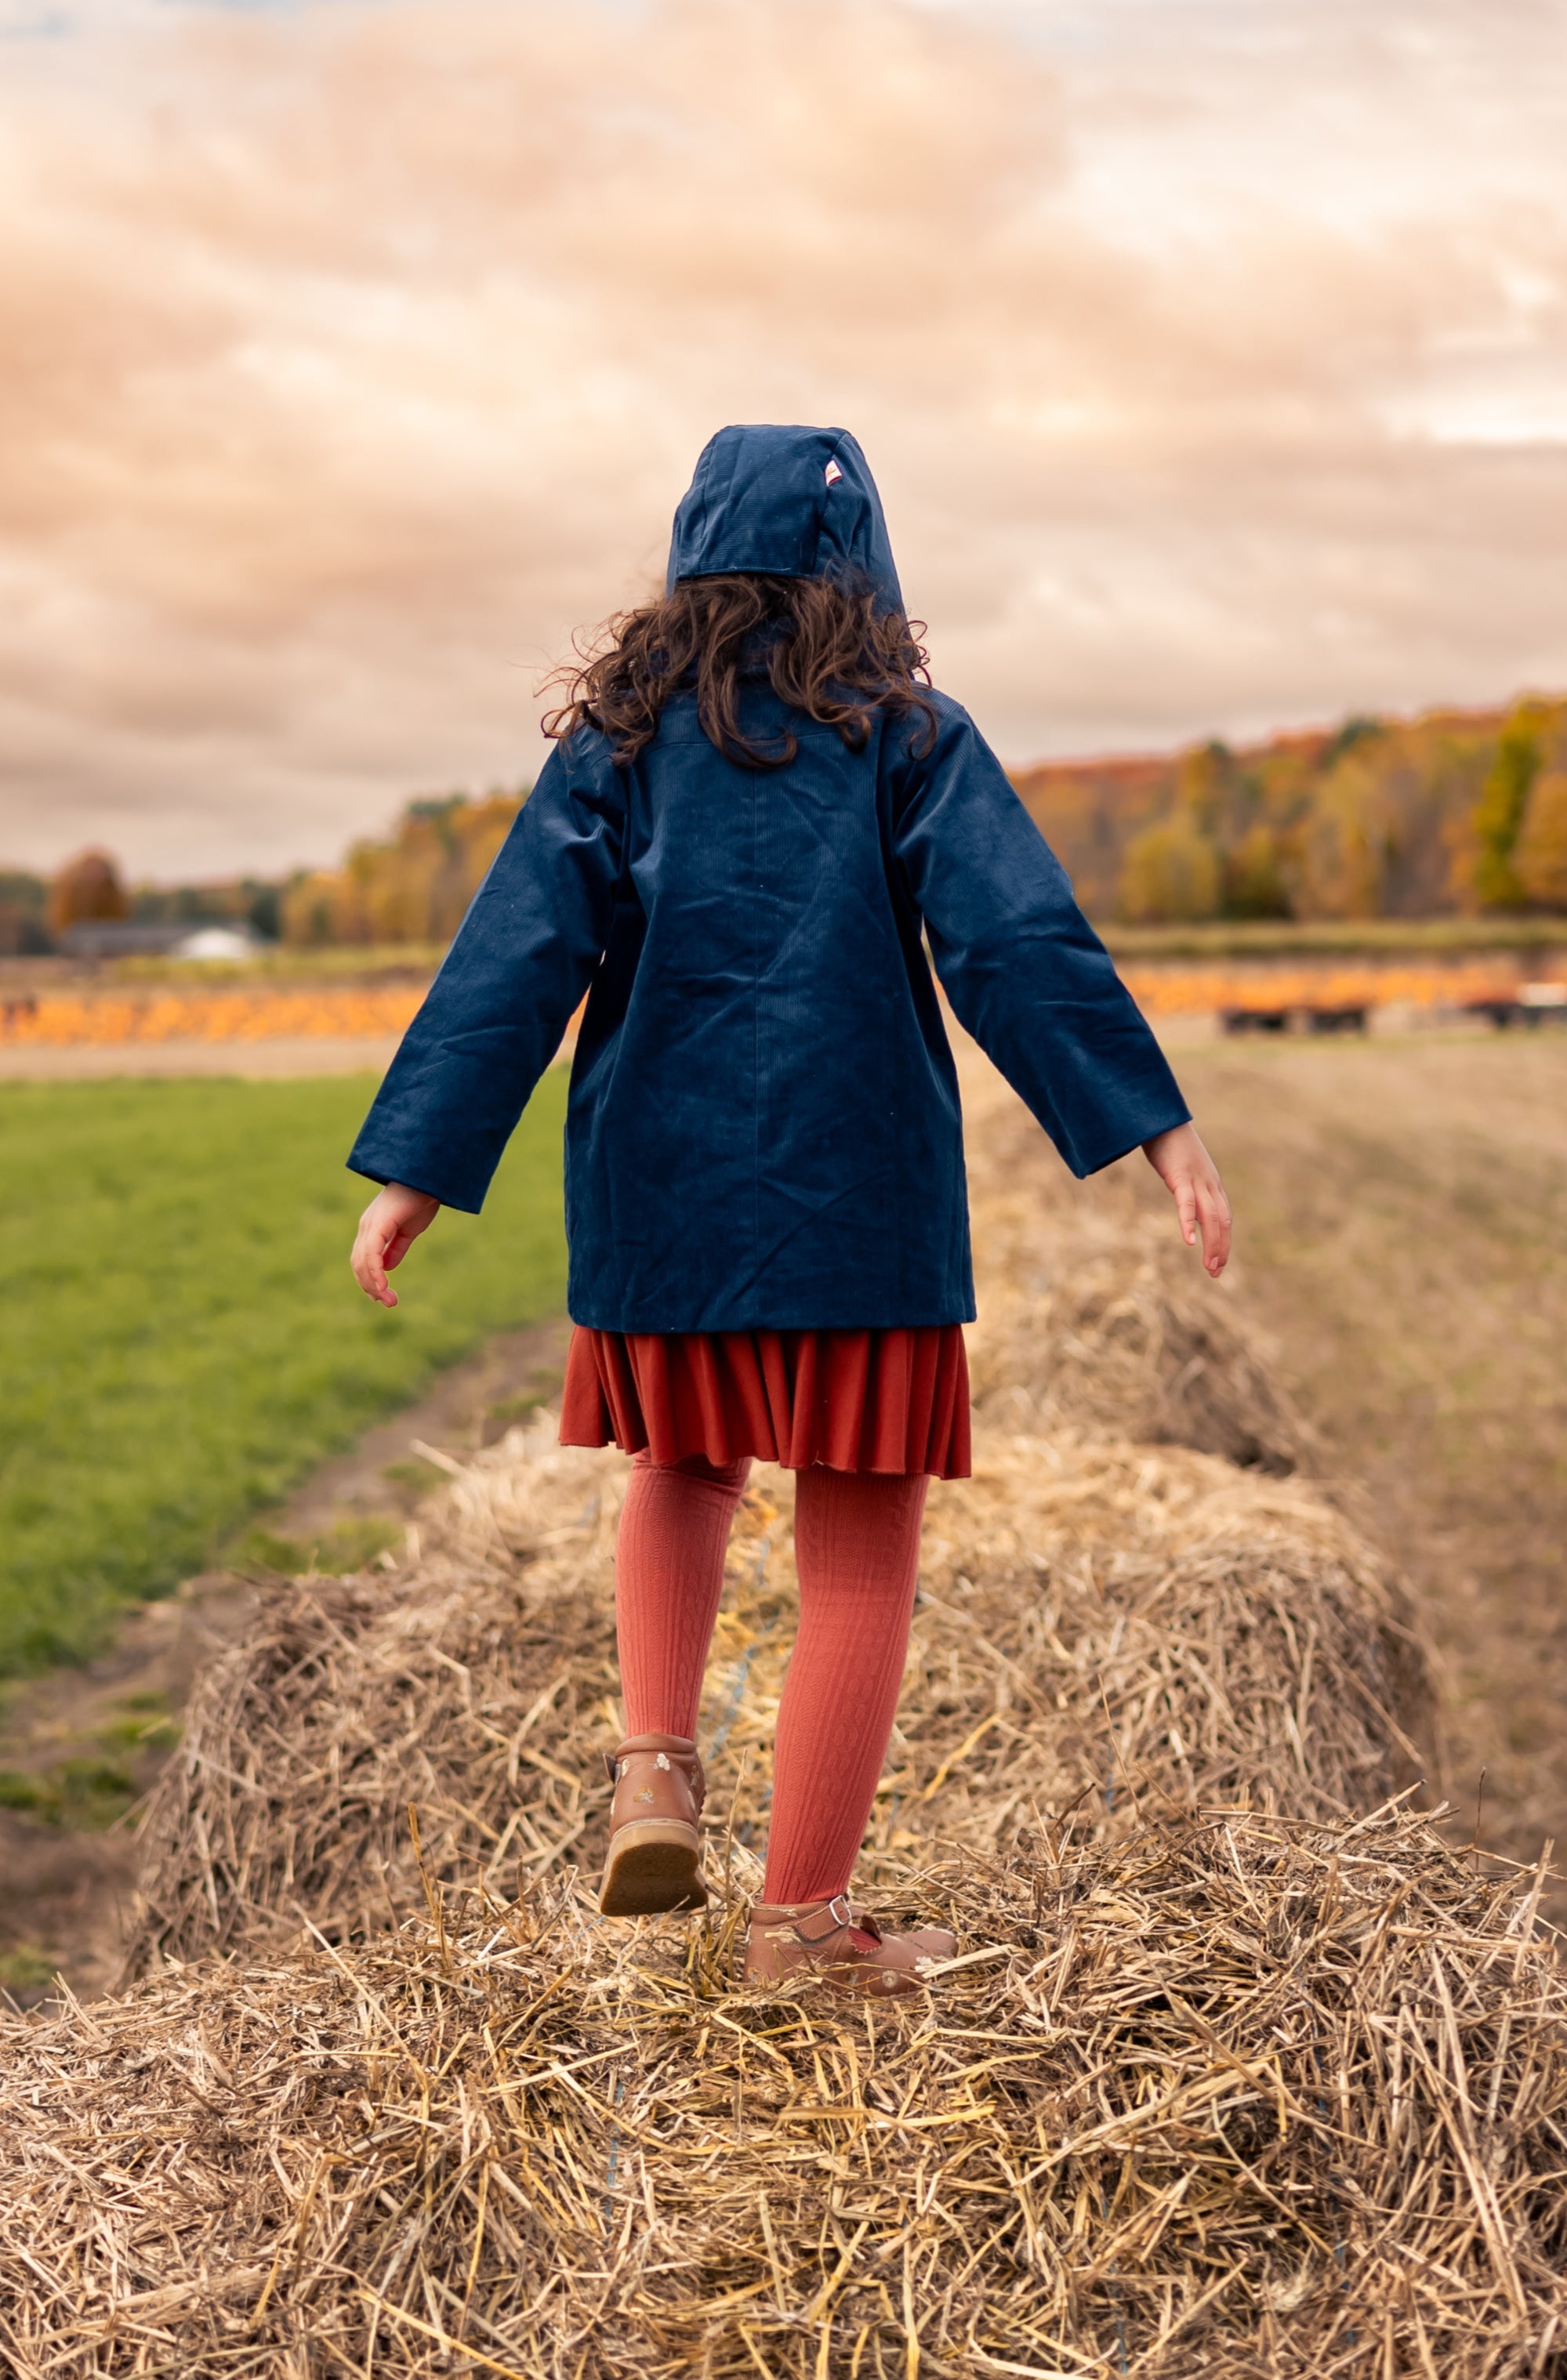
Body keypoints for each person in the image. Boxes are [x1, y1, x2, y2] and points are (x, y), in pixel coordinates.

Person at [346, 424, 1231, 1994]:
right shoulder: (903, 735)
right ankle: (802, 1925)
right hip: (854, 1201)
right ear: (863, 564)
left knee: (683, 1468)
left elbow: (515, 957)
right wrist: (1154, 1128)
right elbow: (1013, 942)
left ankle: (654, 1768)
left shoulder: (616, 746)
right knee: (856, 1553)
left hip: (660, 1200)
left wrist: (419, 1166)